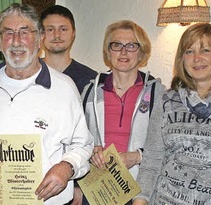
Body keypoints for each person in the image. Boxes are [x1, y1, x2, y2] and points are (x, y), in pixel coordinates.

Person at [0, 3, 93, 204]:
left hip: (48, 200)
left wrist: (66, 168)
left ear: (39, 39)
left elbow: (83, 144)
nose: (16, 41)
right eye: (8, 33)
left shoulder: (64, 87)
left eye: (24, 32)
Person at [133, 23, 211, 205]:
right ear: (181, 58)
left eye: (206, 50)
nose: (197, 58)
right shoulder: (167, 100)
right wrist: (140, 201)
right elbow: (152, 160)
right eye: (189, 51)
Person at [80, 20, 165, 205]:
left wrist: (136, 156)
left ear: (142, 52)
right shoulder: (89, 92)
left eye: (132, 46)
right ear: (108, 51)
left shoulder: (157, 93)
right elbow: (77, 139)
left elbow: (165, 144)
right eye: (117, 45)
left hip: (140, 189)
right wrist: (90, 150)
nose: (124, 52)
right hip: (97, 188)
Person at [40, 5, 97, 94]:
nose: (57, 35)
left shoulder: (90, 80)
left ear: (73, 34)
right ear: (40, 34)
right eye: (50, 30)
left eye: (63, 29)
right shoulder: (27, 74)